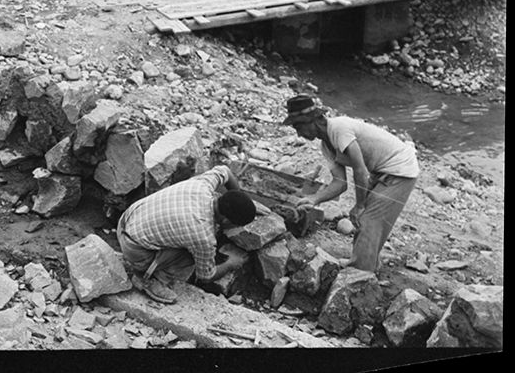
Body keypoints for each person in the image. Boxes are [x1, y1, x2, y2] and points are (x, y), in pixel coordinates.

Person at [283, 95, 419, 274]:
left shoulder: (339, 128)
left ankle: (359, 274)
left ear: (312, 120)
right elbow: (340, 184)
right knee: (365, 220)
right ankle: (366, 264)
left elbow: (360, 171)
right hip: (381, 171)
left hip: (400, 168)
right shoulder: (326, 146)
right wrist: (314, 199)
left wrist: (360, 205)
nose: (299, 134)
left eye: (298, 127)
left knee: (369, 219)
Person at [115, 164, 257, 304]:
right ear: (225, 220)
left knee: (188, 242)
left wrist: (242, 199)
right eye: (236, 225)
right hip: (133, 248)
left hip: (126, 219)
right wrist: (231, 263)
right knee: (189, 258)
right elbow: (206, 276)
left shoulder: (203, 185)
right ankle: (147, 278)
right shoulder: (204, 237)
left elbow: (224, 171)